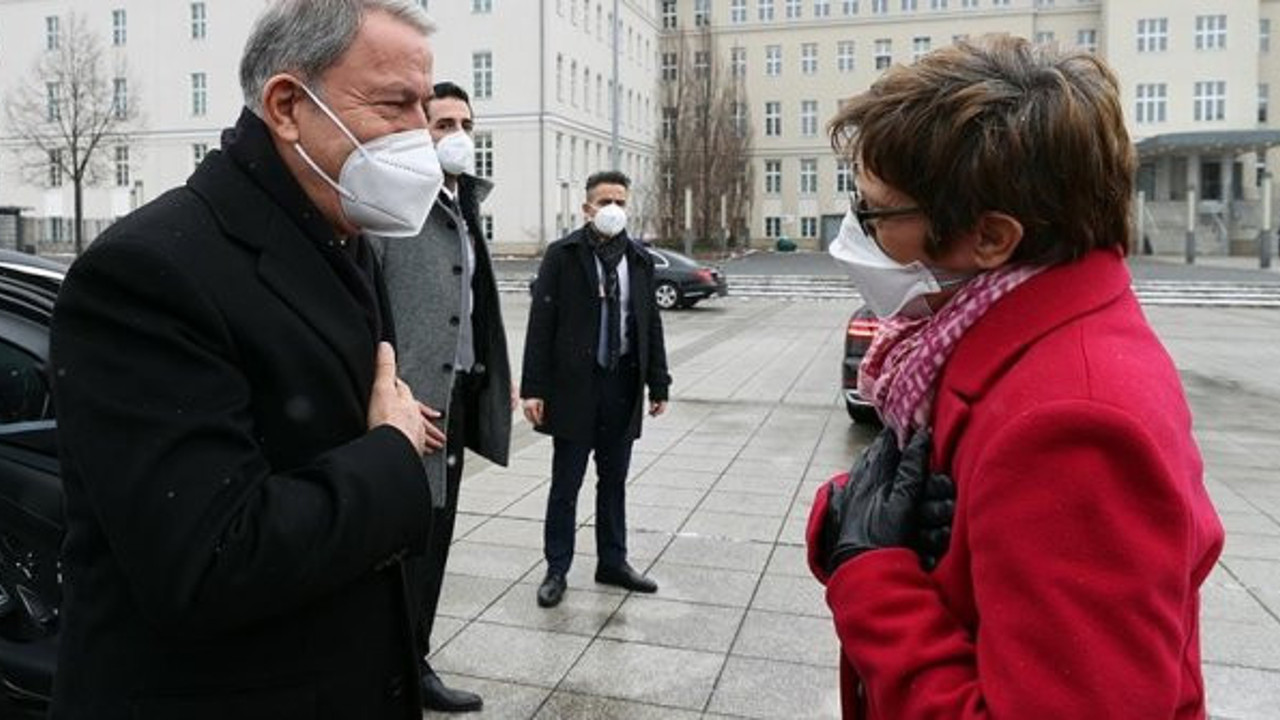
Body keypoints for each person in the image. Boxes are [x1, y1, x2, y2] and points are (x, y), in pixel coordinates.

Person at [805, 35, 1224, 719]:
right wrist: (850, 520)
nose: (857, 235)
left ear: (993, 238)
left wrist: (872, 576)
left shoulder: (1073, 423)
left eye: (875, 214)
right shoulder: (985, 336)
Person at [48, 2, 447, 718]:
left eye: (426, 104)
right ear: (289, 106)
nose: (423, 132)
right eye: (396, 105)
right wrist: (391, 451)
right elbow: (207, 563)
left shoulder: (337, 228)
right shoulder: (150, 270)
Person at [372, 80, 512, 714]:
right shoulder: (395, 208)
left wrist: (494, 373)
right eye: (442, 124)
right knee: (397, 548)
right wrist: (391, 390)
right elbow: (369, 308)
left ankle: (413, 660)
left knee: (434, 542)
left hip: (455, 401)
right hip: (409, 409)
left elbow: (475, 300)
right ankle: (394, 670)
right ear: (418, 132)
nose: (456, 136)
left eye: (465, 124)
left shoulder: (464, 203)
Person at [521, 171, 671, 609]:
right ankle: (556, 568)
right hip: (574, 389)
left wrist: (658, 382)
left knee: (615, 482)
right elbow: (540, 325)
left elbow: (650, 324)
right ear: (587, 208)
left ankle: (613, 561)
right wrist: (534, 388)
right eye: (605, 201)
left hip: (622, 386)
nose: (613, 209)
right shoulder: (563, 255)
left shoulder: (639, 261)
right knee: (565, 484)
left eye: (621, 201)